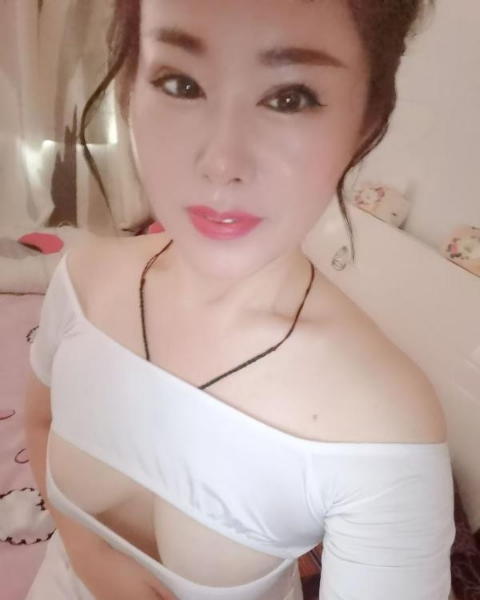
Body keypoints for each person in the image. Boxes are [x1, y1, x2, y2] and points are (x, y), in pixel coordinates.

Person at [23, 1, 456, 599]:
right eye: (181, 83)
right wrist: (84, 553)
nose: (221, 163)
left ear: (366, 121)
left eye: (290, 98)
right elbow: (40, 421)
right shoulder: (83, 280)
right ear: (128, 89)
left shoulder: (386, 422)